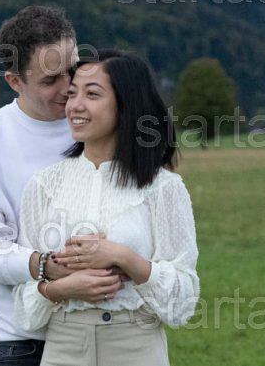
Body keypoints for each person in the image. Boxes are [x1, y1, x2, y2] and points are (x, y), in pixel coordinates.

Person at [0, 6, 125, 366]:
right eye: (50, 80)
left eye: (73, 69)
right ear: (15, 81)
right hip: (22, 343)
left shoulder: (108, 125)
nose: (68, 87)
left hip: (110, 332)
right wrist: (46, 267)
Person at [13, 50, 200, 366]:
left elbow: (182, 302)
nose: (75, 105)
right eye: (72, 93)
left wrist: (123, 257)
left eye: (92, 94)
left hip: (137, 347)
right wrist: (62, 288)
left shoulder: (163, 187)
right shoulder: (43, 185)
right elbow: (24, 305)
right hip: (63, 348)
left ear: (125, 105)